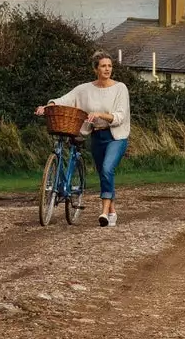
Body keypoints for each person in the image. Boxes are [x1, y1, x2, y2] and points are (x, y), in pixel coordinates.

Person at [36, 51, 130, 227]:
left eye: (109, 66)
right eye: (103, 66)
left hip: (116, 136)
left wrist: (100, 114)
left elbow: (120, 116)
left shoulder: (120, 88)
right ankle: (112, 211)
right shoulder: (85, 89)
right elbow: (66, 99)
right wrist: (47, 106)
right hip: (96, 136)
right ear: (96, 69)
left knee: (108, 168)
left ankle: (103, 213)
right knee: (103, 172)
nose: (107, 69)